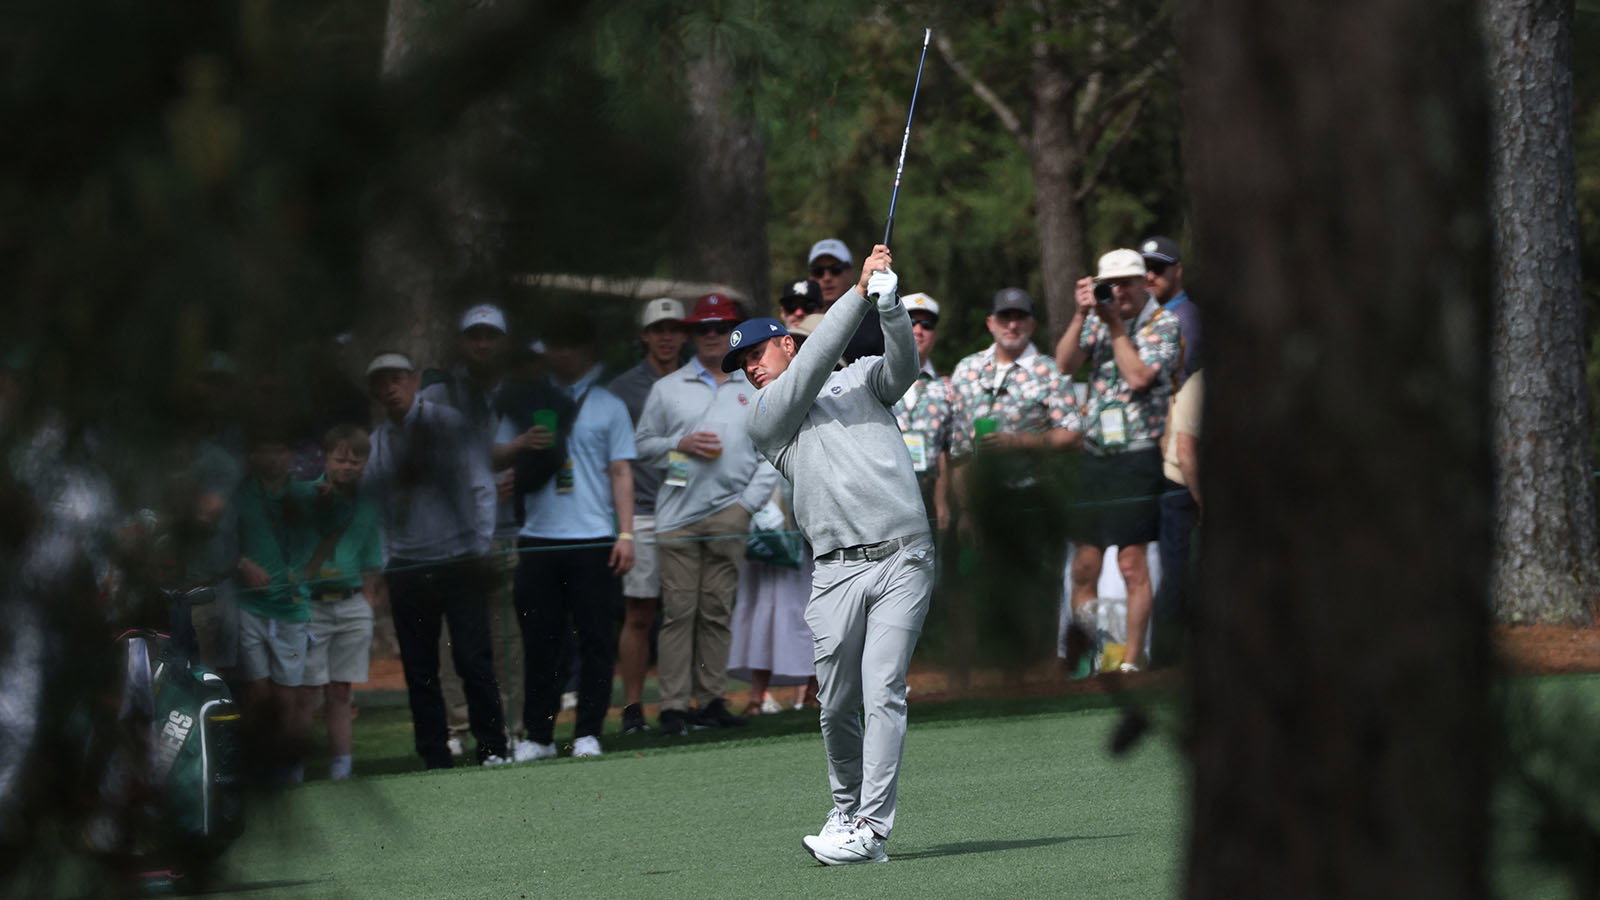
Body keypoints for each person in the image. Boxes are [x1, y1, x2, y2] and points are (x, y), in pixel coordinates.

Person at [730, 243, 931, 866]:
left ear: (785, 343)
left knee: (882, 689)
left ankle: (870, 827)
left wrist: (889, 303)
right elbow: (815, 361)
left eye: (757, 354)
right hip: (835, 572)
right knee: (837, 704)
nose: (751, 371)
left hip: (904, 558)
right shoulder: (766, 417)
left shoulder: (861, 378)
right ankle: (845, 810)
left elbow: (903, 369)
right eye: (740, 365)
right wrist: (858, 290)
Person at [494, 315, 635, 760]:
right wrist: (520, 444)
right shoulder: (525, 401)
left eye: (573, 345)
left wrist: (626, 533)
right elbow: (494, 455)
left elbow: (621, 471)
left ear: (589, 352)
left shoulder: (608, 405)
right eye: (556, 345)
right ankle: (538, 736)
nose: (564, 354)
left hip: (593, 537)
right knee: (540, 641)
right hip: (537, 536)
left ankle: (589, 732)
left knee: (596, 639)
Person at [634, 293, 777, 735]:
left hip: (730, 514)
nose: (712, 335)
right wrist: (678, 444)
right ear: (692, 334)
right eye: (703, 328)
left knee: (716, 611)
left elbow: (770, 455)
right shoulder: (667, 388)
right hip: (677, 516)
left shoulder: (752, 386)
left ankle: (712, 699)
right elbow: (641, 445)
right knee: (679, 613)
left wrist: (745, 508)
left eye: (720, 327)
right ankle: (675, 706)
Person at [361, 351, 510, 769]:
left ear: (412, 380)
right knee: (419, 668)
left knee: (472, 658)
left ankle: (492, 747)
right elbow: (380, 514)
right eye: (381, 382)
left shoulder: (449, 424)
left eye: (396, 379)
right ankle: (433, 753)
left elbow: (482, 486)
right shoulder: (377, 443)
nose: (389, 388)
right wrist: (388, 563)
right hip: (409, 567)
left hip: (460, 560)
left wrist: (479, 548)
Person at [1053, 249, 1182, 673]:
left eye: (1128, 282)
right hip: (1096, 457)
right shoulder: (1097, 318)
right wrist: (1079, 315)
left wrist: (1114, 328)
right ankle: (1103, 649)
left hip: (1138, 456)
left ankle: (1132, 660)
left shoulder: (1164, 323)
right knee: (1084, 566)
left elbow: (1140, 377)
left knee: (1131, 563)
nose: (1120, 291)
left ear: (1145, 282)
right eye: (1112, 283)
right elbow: (1065, 364)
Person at [945, 288, 1082, 678]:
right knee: (971, 590)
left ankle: (1022, 678)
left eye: (1020, 317)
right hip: (977, 500)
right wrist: (966, 508)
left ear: (1032, 324)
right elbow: (957, 447)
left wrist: (1020, 441)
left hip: (1028, 497)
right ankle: (963, 679)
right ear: (990, 323)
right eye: (1004, 317)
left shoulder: (1048, 371)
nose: (1012, 324)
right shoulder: (967, 369)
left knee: (1025, 591)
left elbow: (1072, 432)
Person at [421, 303, 524, 756]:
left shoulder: (522, 392)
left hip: (508, 528)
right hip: (453, 536)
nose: (483, 344)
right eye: (475, 336)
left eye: (491, 336)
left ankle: (514, 725)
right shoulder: (440, 395)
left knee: (505, 634)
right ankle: (458, 727)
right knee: (452, 636)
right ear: (463, 342)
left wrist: (523, 470)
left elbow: (546, 448)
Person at [605, 297, 690, 734]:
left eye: (674, 328)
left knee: (682, 612)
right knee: (639, 613)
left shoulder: (699, 380)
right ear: (644, 335)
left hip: (688, 508)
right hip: (640, 512)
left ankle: (680, 703)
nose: (667, 336)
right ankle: (633, 707)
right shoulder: (622, 389)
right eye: (658, 329)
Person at [232, 419, 319, 783]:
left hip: (292, 609)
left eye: (280, 450)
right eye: (265, 450)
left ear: (290, 455)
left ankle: (289, 771)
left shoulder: (306, 495)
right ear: (253, 455)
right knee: (256, 693)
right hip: (249, 607)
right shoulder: (239, 497)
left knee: (287, 696)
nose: (273, 457)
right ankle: (255, 770)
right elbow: (221, 542)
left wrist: (309, 570)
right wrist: (241, 563)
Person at [300, 424, 383, 781]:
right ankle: (294, 768)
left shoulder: (368, 505)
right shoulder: (303, 495)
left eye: (356, 461)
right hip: (310, 605)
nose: (348, 467)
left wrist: (367, 600)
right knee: (306, 691)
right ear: (327, 458)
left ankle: (341, 767)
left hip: (350, 604)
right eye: (341, 459)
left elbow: (371, 558)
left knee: (340, 690)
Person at [891, 293, 957, 530]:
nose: (918, 330)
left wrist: (943, 504)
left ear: (935, 335)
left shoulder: (945, 389)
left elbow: (946, 453)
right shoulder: (873, 379)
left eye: (926, 325)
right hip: (884, 496)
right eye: (911, 322)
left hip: (927, 496)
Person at [1152, 368, 1203, 667]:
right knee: (1178, 574)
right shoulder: (1201, 385)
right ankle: (1164, 662)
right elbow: (1186, 452)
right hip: (1182, 487)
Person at [808, 238, 884, 365]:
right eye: (819, 272)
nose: (827, 278)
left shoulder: (877, 323)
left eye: (835, 269)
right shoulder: (799, 318)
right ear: (810, 277)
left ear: (850, 273)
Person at [1139, 235, 1201, 381]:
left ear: (1177, 270)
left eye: (1158, 268)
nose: (1149, 276)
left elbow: (1178, 376)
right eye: (1144, 269)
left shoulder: (1186, 317)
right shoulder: (1144, 315)